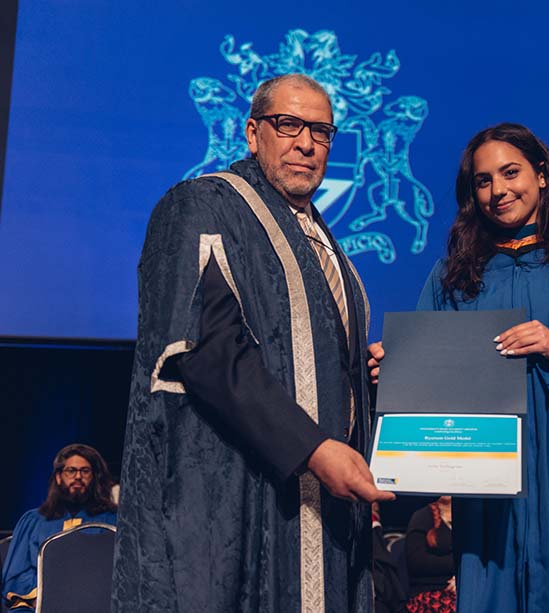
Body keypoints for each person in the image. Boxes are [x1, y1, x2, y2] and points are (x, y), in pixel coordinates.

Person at [112, 74, 393, 613]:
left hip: (325, 507)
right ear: (252, 132)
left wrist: (368, 376)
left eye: (322, 132)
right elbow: (203, 350)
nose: (306, 144)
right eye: (288, 125)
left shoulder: (323, 241)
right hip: (238, 495)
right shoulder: (203, 204)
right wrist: (312, 449)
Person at [369, 123, 549, 611]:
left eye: (511, 173)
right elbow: (429, 375)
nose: (498, 190)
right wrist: (396, 371)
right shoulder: (453, 277)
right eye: (483, 181)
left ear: (542, 175)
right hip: (490, 481)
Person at [2, 444, 117, 611]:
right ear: (58, 477)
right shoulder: (33, 521)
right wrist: (44, 596)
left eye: (85, 471)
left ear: (95, 478)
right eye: (71, 471)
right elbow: (17, 573)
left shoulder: (112, 521)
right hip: (36, 605)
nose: (78, 476)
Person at [404, 496, 455, 613]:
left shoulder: (470, 518)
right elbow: (417, 563)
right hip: (429, 591)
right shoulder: (422, 517)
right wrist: (460, 567)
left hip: (462, 590)